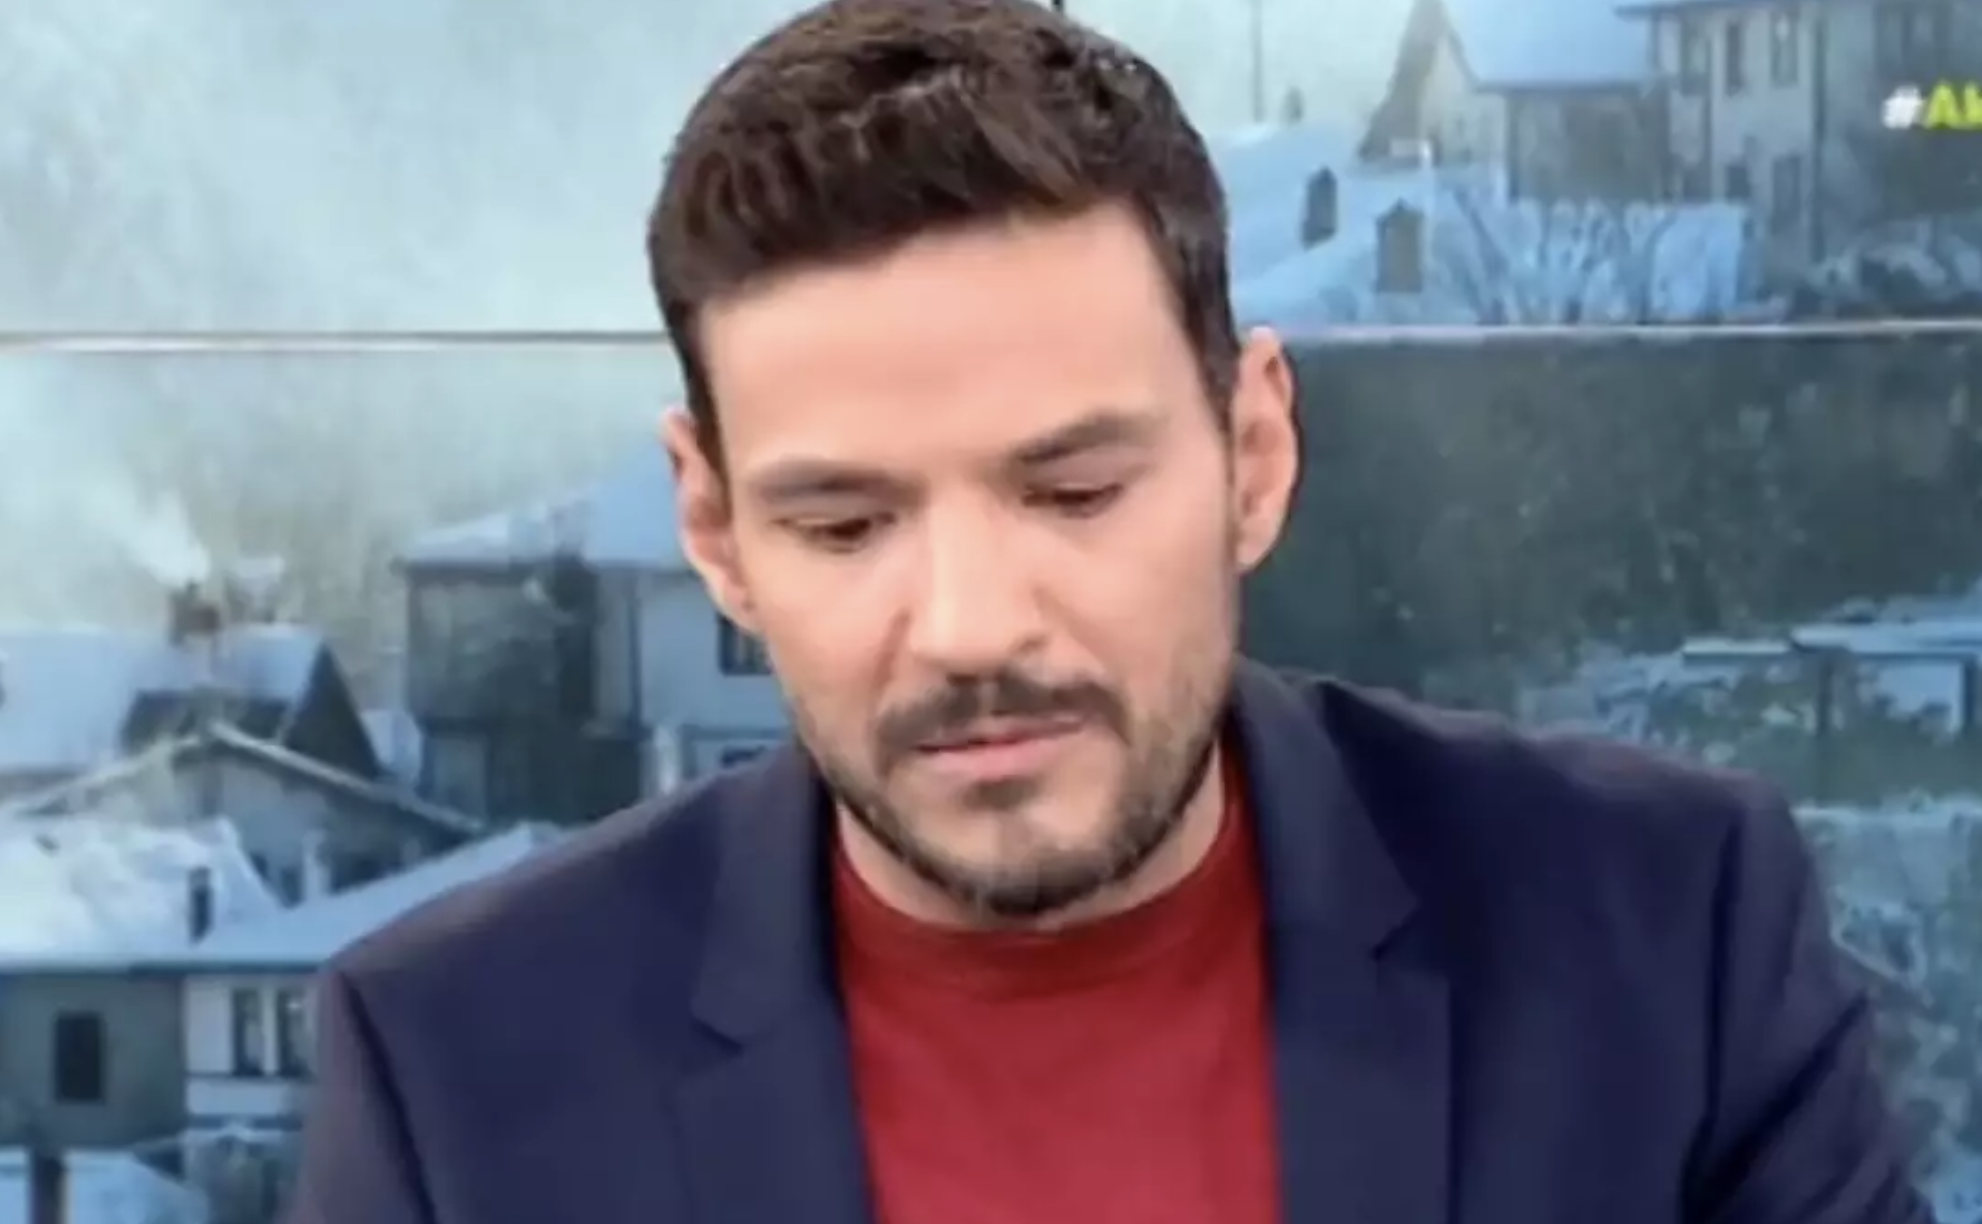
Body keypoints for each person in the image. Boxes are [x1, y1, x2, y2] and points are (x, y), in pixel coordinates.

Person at [285, 1, 1932, 1221]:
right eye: (844, 524)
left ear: (1253, 456)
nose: (969, 627)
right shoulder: (458, 1077)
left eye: (1073, 493)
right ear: (713, 531)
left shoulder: (1664, 938)